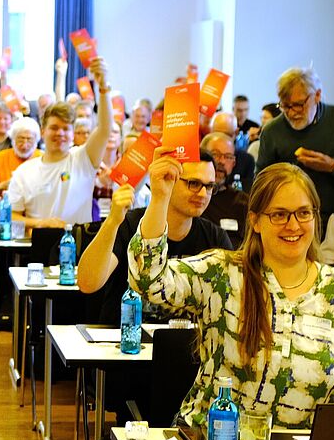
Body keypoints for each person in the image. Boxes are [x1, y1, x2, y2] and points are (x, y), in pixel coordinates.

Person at [122, 161, 334, 440]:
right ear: (255, 220)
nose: (294, 225)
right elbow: (149, 281)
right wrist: (159, 199)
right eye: (280, 215)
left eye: (303, 213)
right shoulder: (223, 273)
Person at [77, 152, 233, 323]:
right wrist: (112, 221)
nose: (203, 194)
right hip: (125, 342)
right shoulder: (130, 223)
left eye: (209, 186)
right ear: (169, 179)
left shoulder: (215, 237)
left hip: (184, 345)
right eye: (193, 183)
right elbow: (87, 283)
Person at [8, 59, 113, 229]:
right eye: (54, 128)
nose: (60, 133)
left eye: (66, 128)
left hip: (80, 246)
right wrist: (41, 223)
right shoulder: (24, 172)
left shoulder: (84, 158)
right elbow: (11, 216)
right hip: (41, 248)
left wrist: (103, 88)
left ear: (72, 133)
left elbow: (105, 129)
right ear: (43, 131)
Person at [255, 67, 334, 216]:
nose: (292, 112)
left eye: (299, 104)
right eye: (285, 106)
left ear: (317, 95)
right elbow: (261, 180)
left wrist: (333, 166)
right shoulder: (271, 131)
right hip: (289, 217)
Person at [198, 132, 249, 245]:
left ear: (234, 163)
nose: (221, 161)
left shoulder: (244, 203)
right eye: (215, 154)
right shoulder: (192, 196)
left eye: (228, 157)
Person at [0, 117, 41, 204]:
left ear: (36, 141)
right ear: (13, 140)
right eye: (20, 139)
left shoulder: (43, 159)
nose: (25, 145)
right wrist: (1, 186)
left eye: (29, 139)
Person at [208, 112, 255, 188]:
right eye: (217, 134)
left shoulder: (246, 161)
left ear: (236, 133)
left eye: (226, 135)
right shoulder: (200, 157)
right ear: (210, 131)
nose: (222, 139)